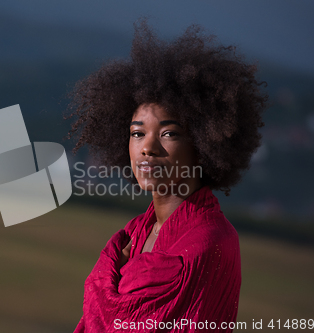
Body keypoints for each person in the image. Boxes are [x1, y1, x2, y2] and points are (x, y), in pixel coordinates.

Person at [66, 20, 268, 332]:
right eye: (137, 133)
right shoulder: (131, 236)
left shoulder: (210, 243)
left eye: (169, 133)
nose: (147, 148)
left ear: (203, 143)